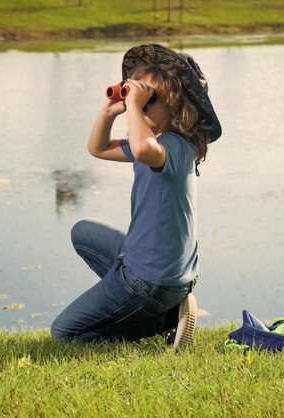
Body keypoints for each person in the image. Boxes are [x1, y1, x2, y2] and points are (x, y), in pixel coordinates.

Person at [51, 43, 222, 347]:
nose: (139, 104)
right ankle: (153, 308)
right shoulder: (156, 142)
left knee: (64, 333)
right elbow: (98, 148)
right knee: (82, 232)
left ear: (178, 106)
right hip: (160, 271)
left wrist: (132, 108)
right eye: (136, 96)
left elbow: (144, 150)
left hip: (151, 281)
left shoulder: (175, 147)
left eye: (148, 98)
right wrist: (109, 112)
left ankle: (159, 320)